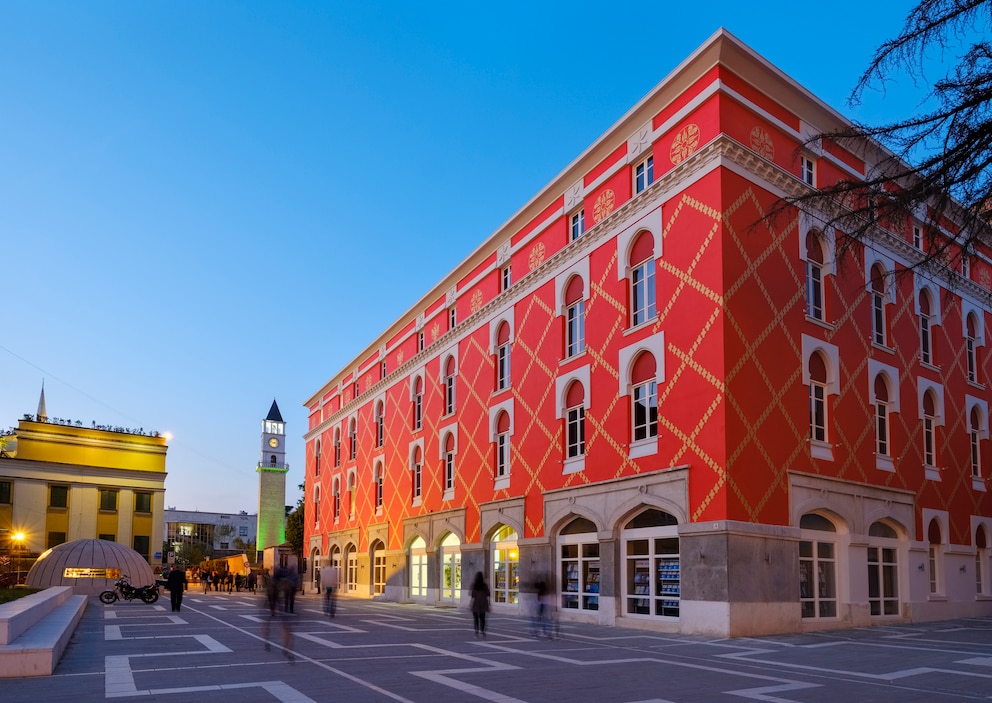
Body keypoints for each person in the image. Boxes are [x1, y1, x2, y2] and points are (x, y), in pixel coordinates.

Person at [469, 571, 491, 638]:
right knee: (482, 618)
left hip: (476, 603)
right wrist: (489, 603)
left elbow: (472, 596)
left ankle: (476, 632)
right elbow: (488, 595)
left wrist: (470, 604)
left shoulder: (474, 586)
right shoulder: (485, 586)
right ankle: (482, 632)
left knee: (476, 619)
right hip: (483, 603)